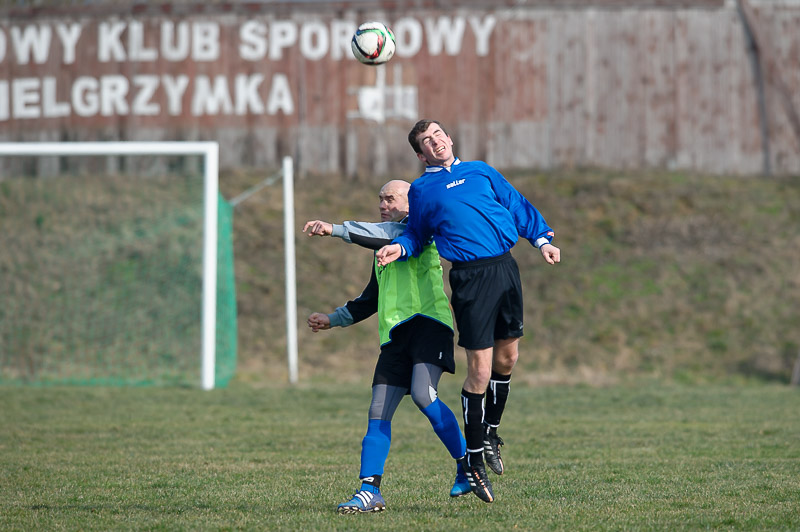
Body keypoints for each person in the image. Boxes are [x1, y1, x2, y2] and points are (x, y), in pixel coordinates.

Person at [375, 120, 561, 503]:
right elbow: (417, 233)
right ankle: (473, 462)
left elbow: (516, 204)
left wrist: (542, 240)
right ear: (421, 154)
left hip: (506, 268)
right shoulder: (422, 190)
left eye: (438, 135)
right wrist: (400, 247)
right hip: (470, 279)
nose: (435, 142)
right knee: (480, 371)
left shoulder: (480, 171)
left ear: (448, 138)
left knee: (508, 359)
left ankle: (490, 433)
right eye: (426, 141)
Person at [303, 179, 471, 514]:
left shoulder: (420, 230)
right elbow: (370, 299)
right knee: (377, 412)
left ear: (412, 202)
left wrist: (335, 229)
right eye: (380, 198)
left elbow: (388, 234)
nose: (382, 204)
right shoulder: (382, 245)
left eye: (390, 198)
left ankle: (468, 465)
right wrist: (333, 319)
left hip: (428, 326)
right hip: (395, 336)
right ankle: (369, 491)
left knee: (423, 395)